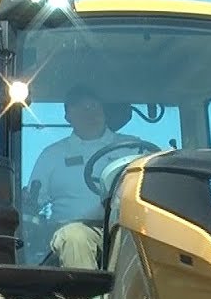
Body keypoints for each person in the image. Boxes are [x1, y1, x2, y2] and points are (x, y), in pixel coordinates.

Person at [25, 85, 140, 269]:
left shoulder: (133, 147)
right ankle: (88, 298)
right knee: (75, 237)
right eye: (81, 108)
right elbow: (32, 203)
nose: (90, 114)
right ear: (68, 117)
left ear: (104, 111)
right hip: (72, 230)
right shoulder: (52, 155)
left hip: (125, 228)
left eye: (94, 106)